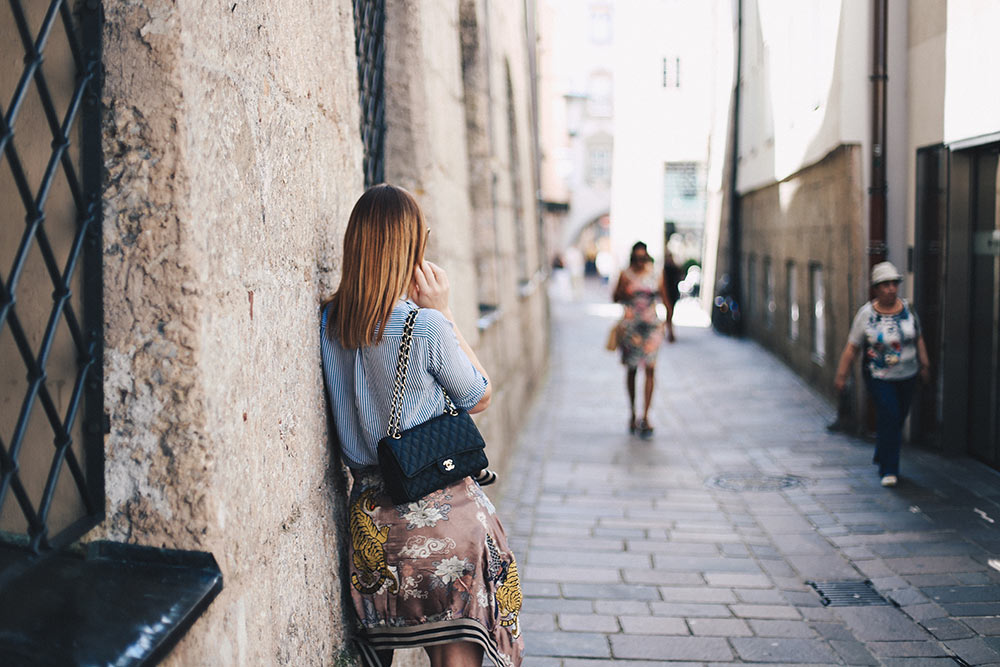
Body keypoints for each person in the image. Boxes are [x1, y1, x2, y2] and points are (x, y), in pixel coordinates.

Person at [321, 184, 522, 667]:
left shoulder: (329, 322)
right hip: (441, 519)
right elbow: (480, 393)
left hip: (370, 523)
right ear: (412, 248)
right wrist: (444, 312)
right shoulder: (425, 326)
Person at [833, 261, 930, 487]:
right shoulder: (866, 315)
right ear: (876, 288)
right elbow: (852, 347)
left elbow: (919, 338)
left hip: (908, 375)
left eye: (894, 284)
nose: (890, 289)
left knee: (897, 418)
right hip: (880, 376)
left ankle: (881, 451)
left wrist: (925, 365)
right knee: (890, 415)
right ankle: (889, 469)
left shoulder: (909, 310)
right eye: (885, 285)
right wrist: (841, 375)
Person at [613, 241, 665, 438]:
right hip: (632, 328)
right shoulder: (625, 275)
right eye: (637, 258)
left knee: (650, 368)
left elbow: (665, 298)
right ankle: (633, 412)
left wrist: (670, 325)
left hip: (651, 327)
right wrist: (624, 292)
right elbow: (615, 297)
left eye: (643, 257)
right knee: (632, 369)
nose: (640, 261)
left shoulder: (655, 274)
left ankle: (646, 415)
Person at [660, 250, 682, 343]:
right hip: (668, 293)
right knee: (669, 313)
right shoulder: (667, 268)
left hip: (672, 293)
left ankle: (667, 331)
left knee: (669, 313)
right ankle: (669, 332)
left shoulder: (671, 268)